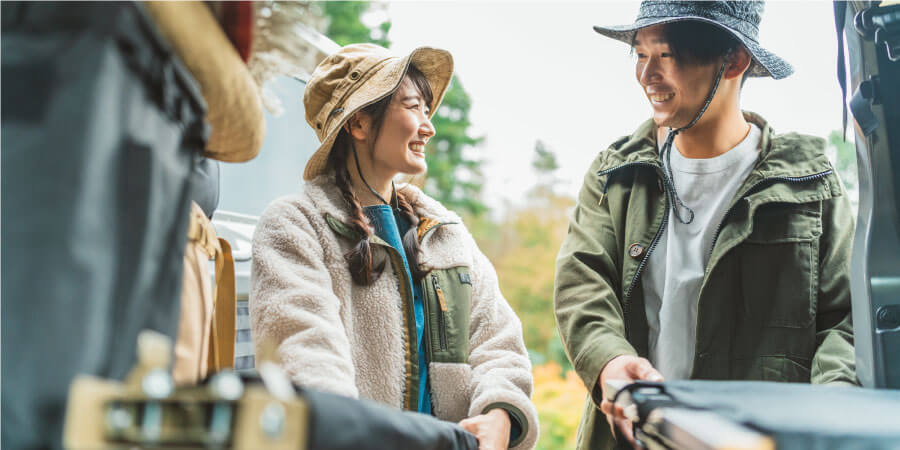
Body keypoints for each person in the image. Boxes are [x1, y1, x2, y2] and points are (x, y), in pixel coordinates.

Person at [553, 2, 857, 448]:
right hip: (633, 437)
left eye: (668, 55)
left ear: (734, 60)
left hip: (762, 439)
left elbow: (846, 319)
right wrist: (609, 360)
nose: (647, 74)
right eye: (640, 54)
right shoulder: (613, 175)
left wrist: (829, 413)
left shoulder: (810, 185)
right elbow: (582, 282)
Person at [250, 43, 538, 450]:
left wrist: (500, 414)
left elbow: (498, 343)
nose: (429, 126)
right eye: (413, 106)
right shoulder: (295, 226)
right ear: (359, 124)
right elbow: (305, 360)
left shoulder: (445, 233)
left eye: (427, 109)